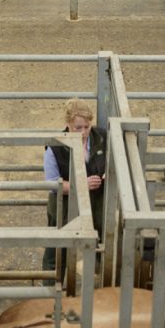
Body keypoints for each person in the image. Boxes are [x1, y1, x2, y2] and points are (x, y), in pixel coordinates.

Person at [42, 98, 107, 273]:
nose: (84, 132)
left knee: (100, 240)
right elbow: (52, 184)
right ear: (68, 124)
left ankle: (99, 281)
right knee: (57, 249)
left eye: (87, 127)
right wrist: (81, 184)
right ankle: (51, 287)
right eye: (78, 128)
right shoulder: (55, 148)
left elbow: (115, 159)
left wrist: (111, 171)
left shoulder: (102, 137)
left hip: (97, 203)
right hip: (65, 205)